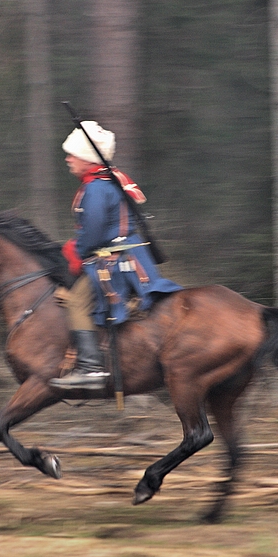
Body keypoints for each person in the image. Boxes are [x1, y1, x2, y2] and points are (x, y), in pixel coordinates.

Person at [49, 121, 181, 390]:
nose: (67, 159)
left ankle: (90, 368)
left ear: (87, 158)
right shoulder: (105, 182)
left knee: (76, 304)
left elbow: (94, 234)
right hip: (126, 255)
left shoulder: (96, 188)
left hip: (114, 261)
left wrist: (76, 252)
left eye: (72, 154)